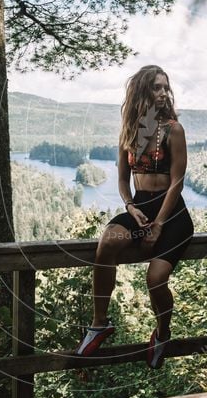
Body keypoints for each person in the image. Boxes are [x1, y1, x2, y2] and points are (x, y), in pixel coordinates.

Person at [76, 65, 194, 368]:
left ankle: (162, 334)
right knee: (108, 242)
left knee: (155, 279)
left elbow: (177, 181)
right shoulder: (129, 132)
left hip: (171, 213)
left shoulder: (173, 129)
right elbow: (121, 180)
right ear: (142, 91)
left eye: (165, 87)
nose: (163, 93)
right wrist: (130, 206)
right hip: (140, 207)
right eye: (156, 87)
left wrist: (158, 225)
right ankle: (99, 324)